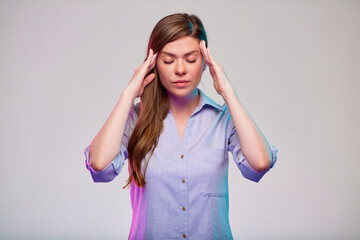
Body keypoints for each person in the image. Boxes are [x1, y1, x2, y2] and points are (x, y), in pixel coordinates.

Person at [84, 13, 278, 240]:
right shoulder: (136, 118)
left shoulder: (222, 119)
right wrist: (128, 94)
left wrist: (228, 92)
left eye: (191, 59)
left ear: (205, 62)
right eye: (168, 60)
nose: (180, 69)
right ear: (154, 63)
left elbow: (260, 164)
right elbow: (99, 166)